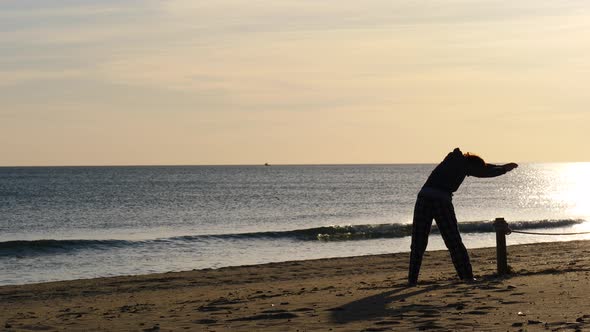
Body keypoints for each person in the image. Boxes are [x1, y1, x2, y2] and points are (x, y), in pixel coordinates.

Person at [408, 148, 518, 286]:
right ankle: (467, 276)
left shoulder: (453, 160)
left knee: (418, 242)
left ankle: (412, 280)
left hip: (423, 197)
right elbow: (483, 172)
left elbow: (482, 168)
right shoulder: (464, 165)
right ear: (472, 165)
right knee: (453, 241)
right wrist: (504, 169)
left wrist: (501, 167)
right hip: (441, 201)